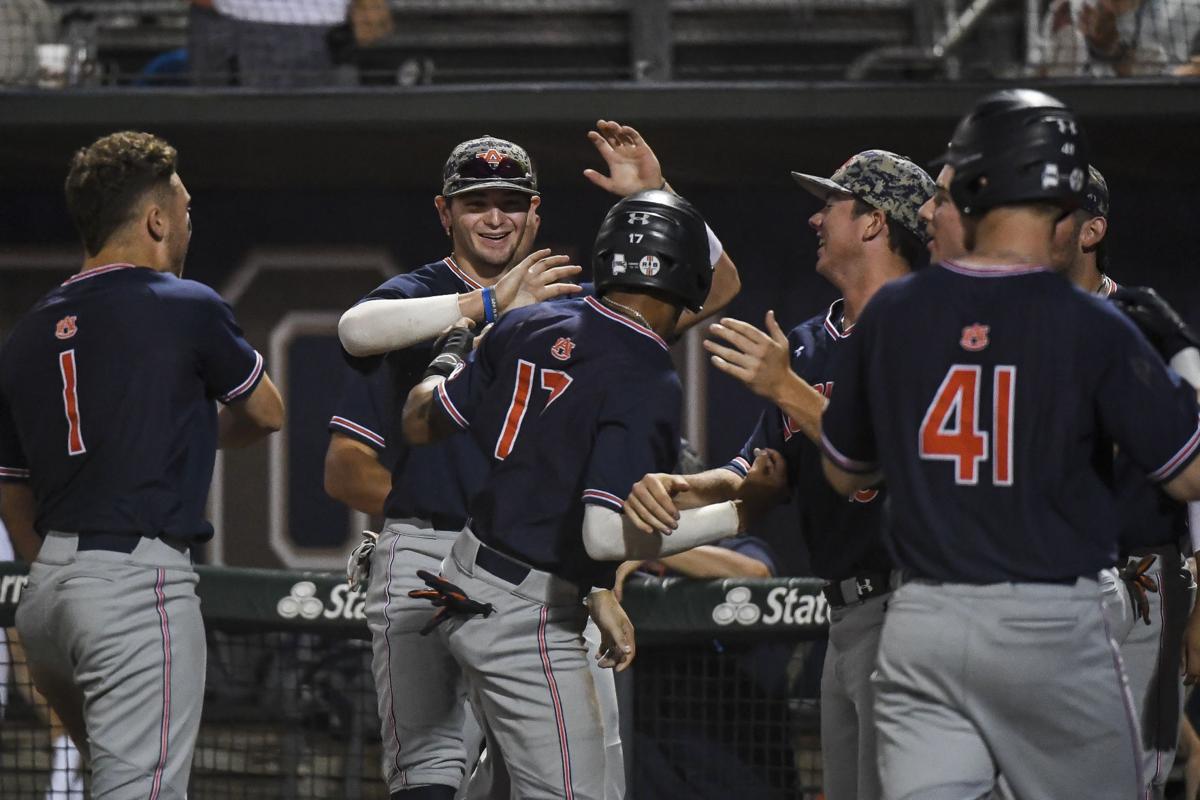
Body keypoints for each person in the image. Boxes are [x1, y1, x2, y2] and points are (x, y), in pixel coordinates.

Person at [336, 122, 741, 799]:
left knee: (587, 773)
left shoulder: (578, 301)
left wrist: (656, 198)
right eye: (476, 202)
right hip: (430, 544)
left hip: (549, 569)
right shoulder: (419, 294)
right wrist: (486, 304)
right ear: (445, 211)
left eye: (512, 202)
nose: (496, 217)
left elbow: (716, 284)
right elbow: (356, 332)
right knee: (434, 774)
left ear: (534, 212)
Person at [819, 88, 1200, 799]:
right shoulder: (1096, 324)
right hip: (1053, 627)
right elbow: (1190, 476)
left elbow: (846, 473)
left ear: (976, 182)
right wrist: (1182, 354)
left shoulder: (893, 311)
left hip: (923, 622)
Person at [399, 189, 779, 799]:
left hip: (469, 575)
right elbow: (602, 532)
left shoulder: (526, 321)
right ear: (683, 274)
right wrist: (738, 512)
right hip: (528, 611)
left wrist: (445, 361)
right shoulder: (647, 370)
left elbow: (421, 422)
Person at [625, 150, 932, 800]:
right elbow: (756, 473)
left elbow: (889, 457)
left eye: (834, 205)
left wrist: (786, 386)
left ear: (875, 223)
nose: (817, 218)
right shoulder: (810, 345)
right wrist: (687, 488)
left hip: (924, 604)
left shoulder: (933, 327)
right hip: (847, 611)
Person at [0, 131, 282, 798]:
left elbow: (11, 491)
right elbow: (266, 413)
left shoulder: (29, 330)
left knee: (108, 775)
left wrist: (58, 574)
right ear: (156, 219)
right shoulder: (184, 303)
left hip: (45, 603)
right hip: (133, 588)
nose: (186, 220)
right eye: (182, 207)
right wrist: (181, 434)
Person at [1054, 166, 1200, 800]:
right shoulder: (1008, 322)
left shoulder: (1143, 321)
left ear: (1092, 229)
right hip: (1041, 586)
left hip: (1144, 583)